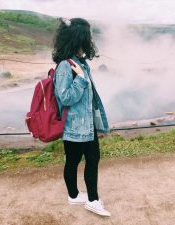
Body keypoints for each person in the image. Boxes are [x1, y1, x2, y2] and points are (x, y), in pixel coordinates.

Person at [52, 17, 111, 217]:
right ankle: (80, 196)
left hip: (87, 126)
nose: (91, 38)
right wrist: (82, 81)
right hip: (74, 128)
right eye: (89, 35)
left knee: (93, 159)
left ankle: (87, 197)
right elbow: (65, 97)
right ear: (80, 38)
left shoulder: (80, 63)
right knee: (73, 161)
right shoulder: (64, 66)